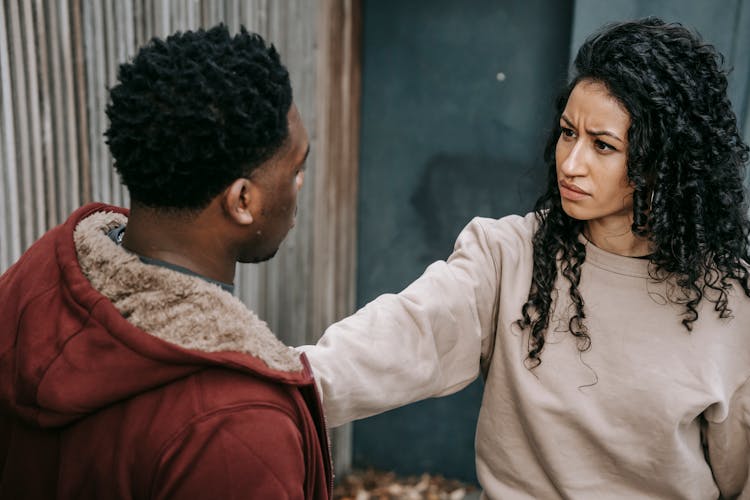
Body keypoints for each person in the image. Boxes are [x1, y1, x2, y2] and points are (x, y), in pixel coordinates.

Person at [302, 18, 750, 499]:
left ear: (663, 162)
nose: (571, 163)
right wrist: (280, 380)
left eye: (603, 145)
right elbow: (405, 334)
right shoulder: (508, 256)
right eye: (567, 133)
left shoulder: (728, 303)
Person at [0, 25, 331, 499]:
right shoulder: (236, 424)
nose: (299, 185)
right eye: (296, 168)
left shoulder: (33, 286)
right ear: (242, 200)